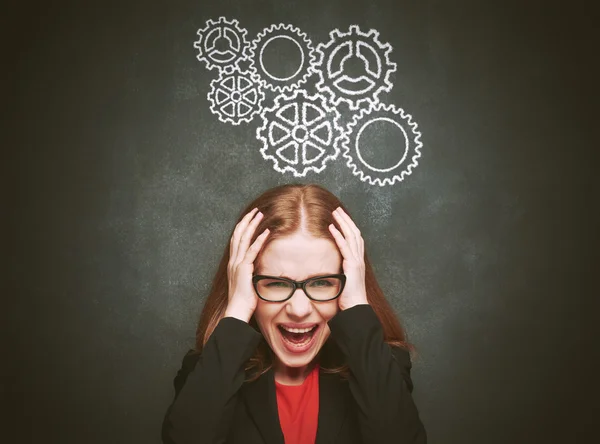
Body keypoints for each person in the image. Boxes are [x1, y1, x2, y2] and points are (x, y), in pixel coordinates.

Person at [161, 183, 427, 444]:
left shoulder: (380, 366)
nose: (299, 310)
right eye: (276, 283)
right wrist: (238, 309)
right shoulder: (209, 370)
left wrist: (358, 305)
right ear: (245, 284)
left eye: (322, 282)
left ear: (349, 283)